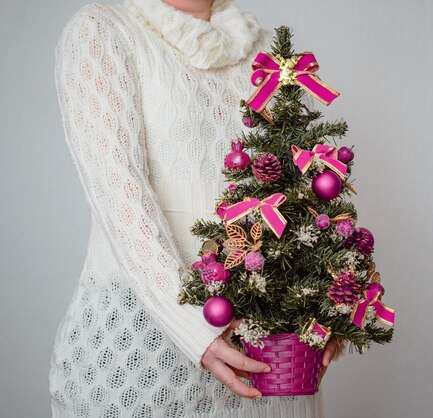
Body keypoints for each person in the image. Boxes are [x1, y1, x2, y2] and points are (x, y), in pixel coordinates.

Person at [48, 0, 340, 416]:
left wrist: (327, 304)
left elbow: (301, 191)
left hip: (270, 358)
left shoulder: (264, 47)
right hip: (143, 349)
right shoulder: (102, 29)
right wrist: (193, 325)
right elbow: (119, 193)